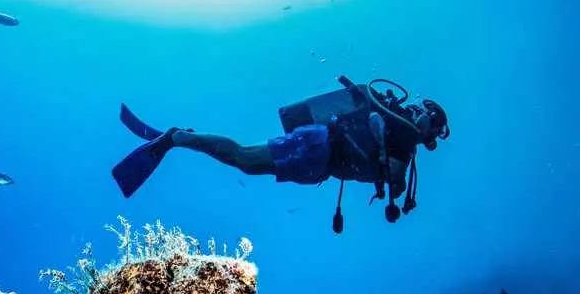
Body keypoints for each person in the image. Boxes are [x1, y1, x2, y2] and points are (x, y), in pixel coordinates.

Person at [112, 75, 450, 233]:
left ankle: (186, 138)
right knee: (244, 157)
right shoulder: (403, 142)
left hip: (319, 160)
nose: (430, 134)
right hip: (319, 149)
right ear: (429, 126)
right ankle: (179, 138)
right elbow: (393, 179)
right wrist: (400, 180)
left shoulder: (399, 136)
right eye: (433, 128)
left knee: (246, 163)